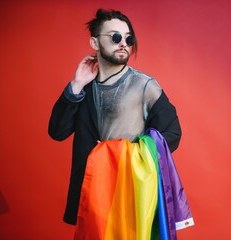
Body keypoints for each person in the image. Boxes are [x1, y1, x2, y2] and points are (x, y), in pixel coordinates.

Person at [48, 9, 182, 225]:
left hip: (129, 191)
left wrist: (122, 153)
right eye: (115, 37)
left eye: (128, 38)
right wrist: (77, 84)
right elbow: (57, 131)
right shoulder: (85, 89)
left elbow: (173, 134)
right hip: (92, 191)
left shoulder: (145, 86)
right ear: (94, 43)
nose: (123, 43)